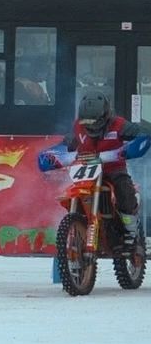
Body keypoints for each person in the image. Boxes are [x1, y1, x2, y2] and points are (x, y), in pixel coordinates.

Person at [38, 92, 151, 241]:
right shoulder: (78, 127)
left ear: (105, 116)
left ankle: (130, 229)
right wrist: (51, 157)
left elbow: (142, 134)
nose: (90, 126)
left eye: (94, 121)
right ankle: (78, 226)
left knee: (123, 187)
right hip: (85, 170)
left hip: (113, 168)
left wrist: (127, 150)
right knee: (73, 192)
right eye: (86, 122)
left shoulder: (119, 124)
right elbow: (65, 145)